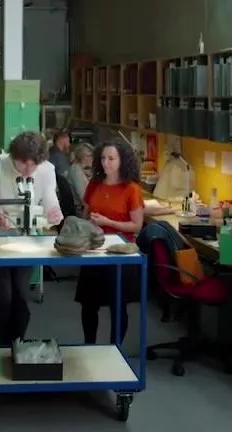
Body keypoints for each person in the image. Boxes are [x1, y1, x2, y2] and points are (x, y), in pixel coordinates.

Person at [0, 131, 65, 347]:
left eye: (33, 165)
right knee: (1, 298)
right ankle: (4, 345)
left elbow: (50, 198)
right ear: (12, 157)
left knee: (20, 296)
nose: (27, 170)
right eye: (22, 164)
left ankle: (17, 344)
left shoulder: (46, 169)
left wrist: (54, 212)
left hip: (26, 239)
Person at [76, 139, 146, 345]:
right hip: (94, 248)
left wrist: (108, 222)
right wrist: (86, 223)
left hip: (120, 252)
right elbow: (85, 214)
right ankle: (89, 345)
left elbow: (136, 226)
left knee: (118, 305)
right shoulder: (94, 184)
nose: (106, 163)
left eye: (111, 159)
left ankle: (116, 348)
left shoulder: (131, 189)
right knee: (88, 304)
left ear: (122, 160)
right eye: (103, 158)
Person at [66, 142, 95, 217]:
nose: (92, 158)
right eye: (89, 156)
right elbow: (84, 196)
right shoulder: (76, 170)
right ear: (81, 156)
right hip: (80, 210)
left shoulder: (86, 170)